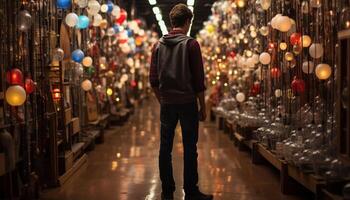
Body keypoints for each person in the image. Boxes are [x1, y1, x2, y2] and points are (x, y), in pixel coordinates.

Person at [149, 3, 213, 200]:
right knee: (189, 148)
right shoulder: (191, 45)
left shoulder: (157, 45)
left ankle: (167, 192)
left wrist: (163, 100)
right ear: (187, 22)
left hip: (167, 103)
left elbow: (153, 80)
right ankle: (191, 191)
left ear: (171, 22)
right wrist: (203, 106)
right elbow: (198, 81)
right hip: (187, 103)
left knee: (165, 148)